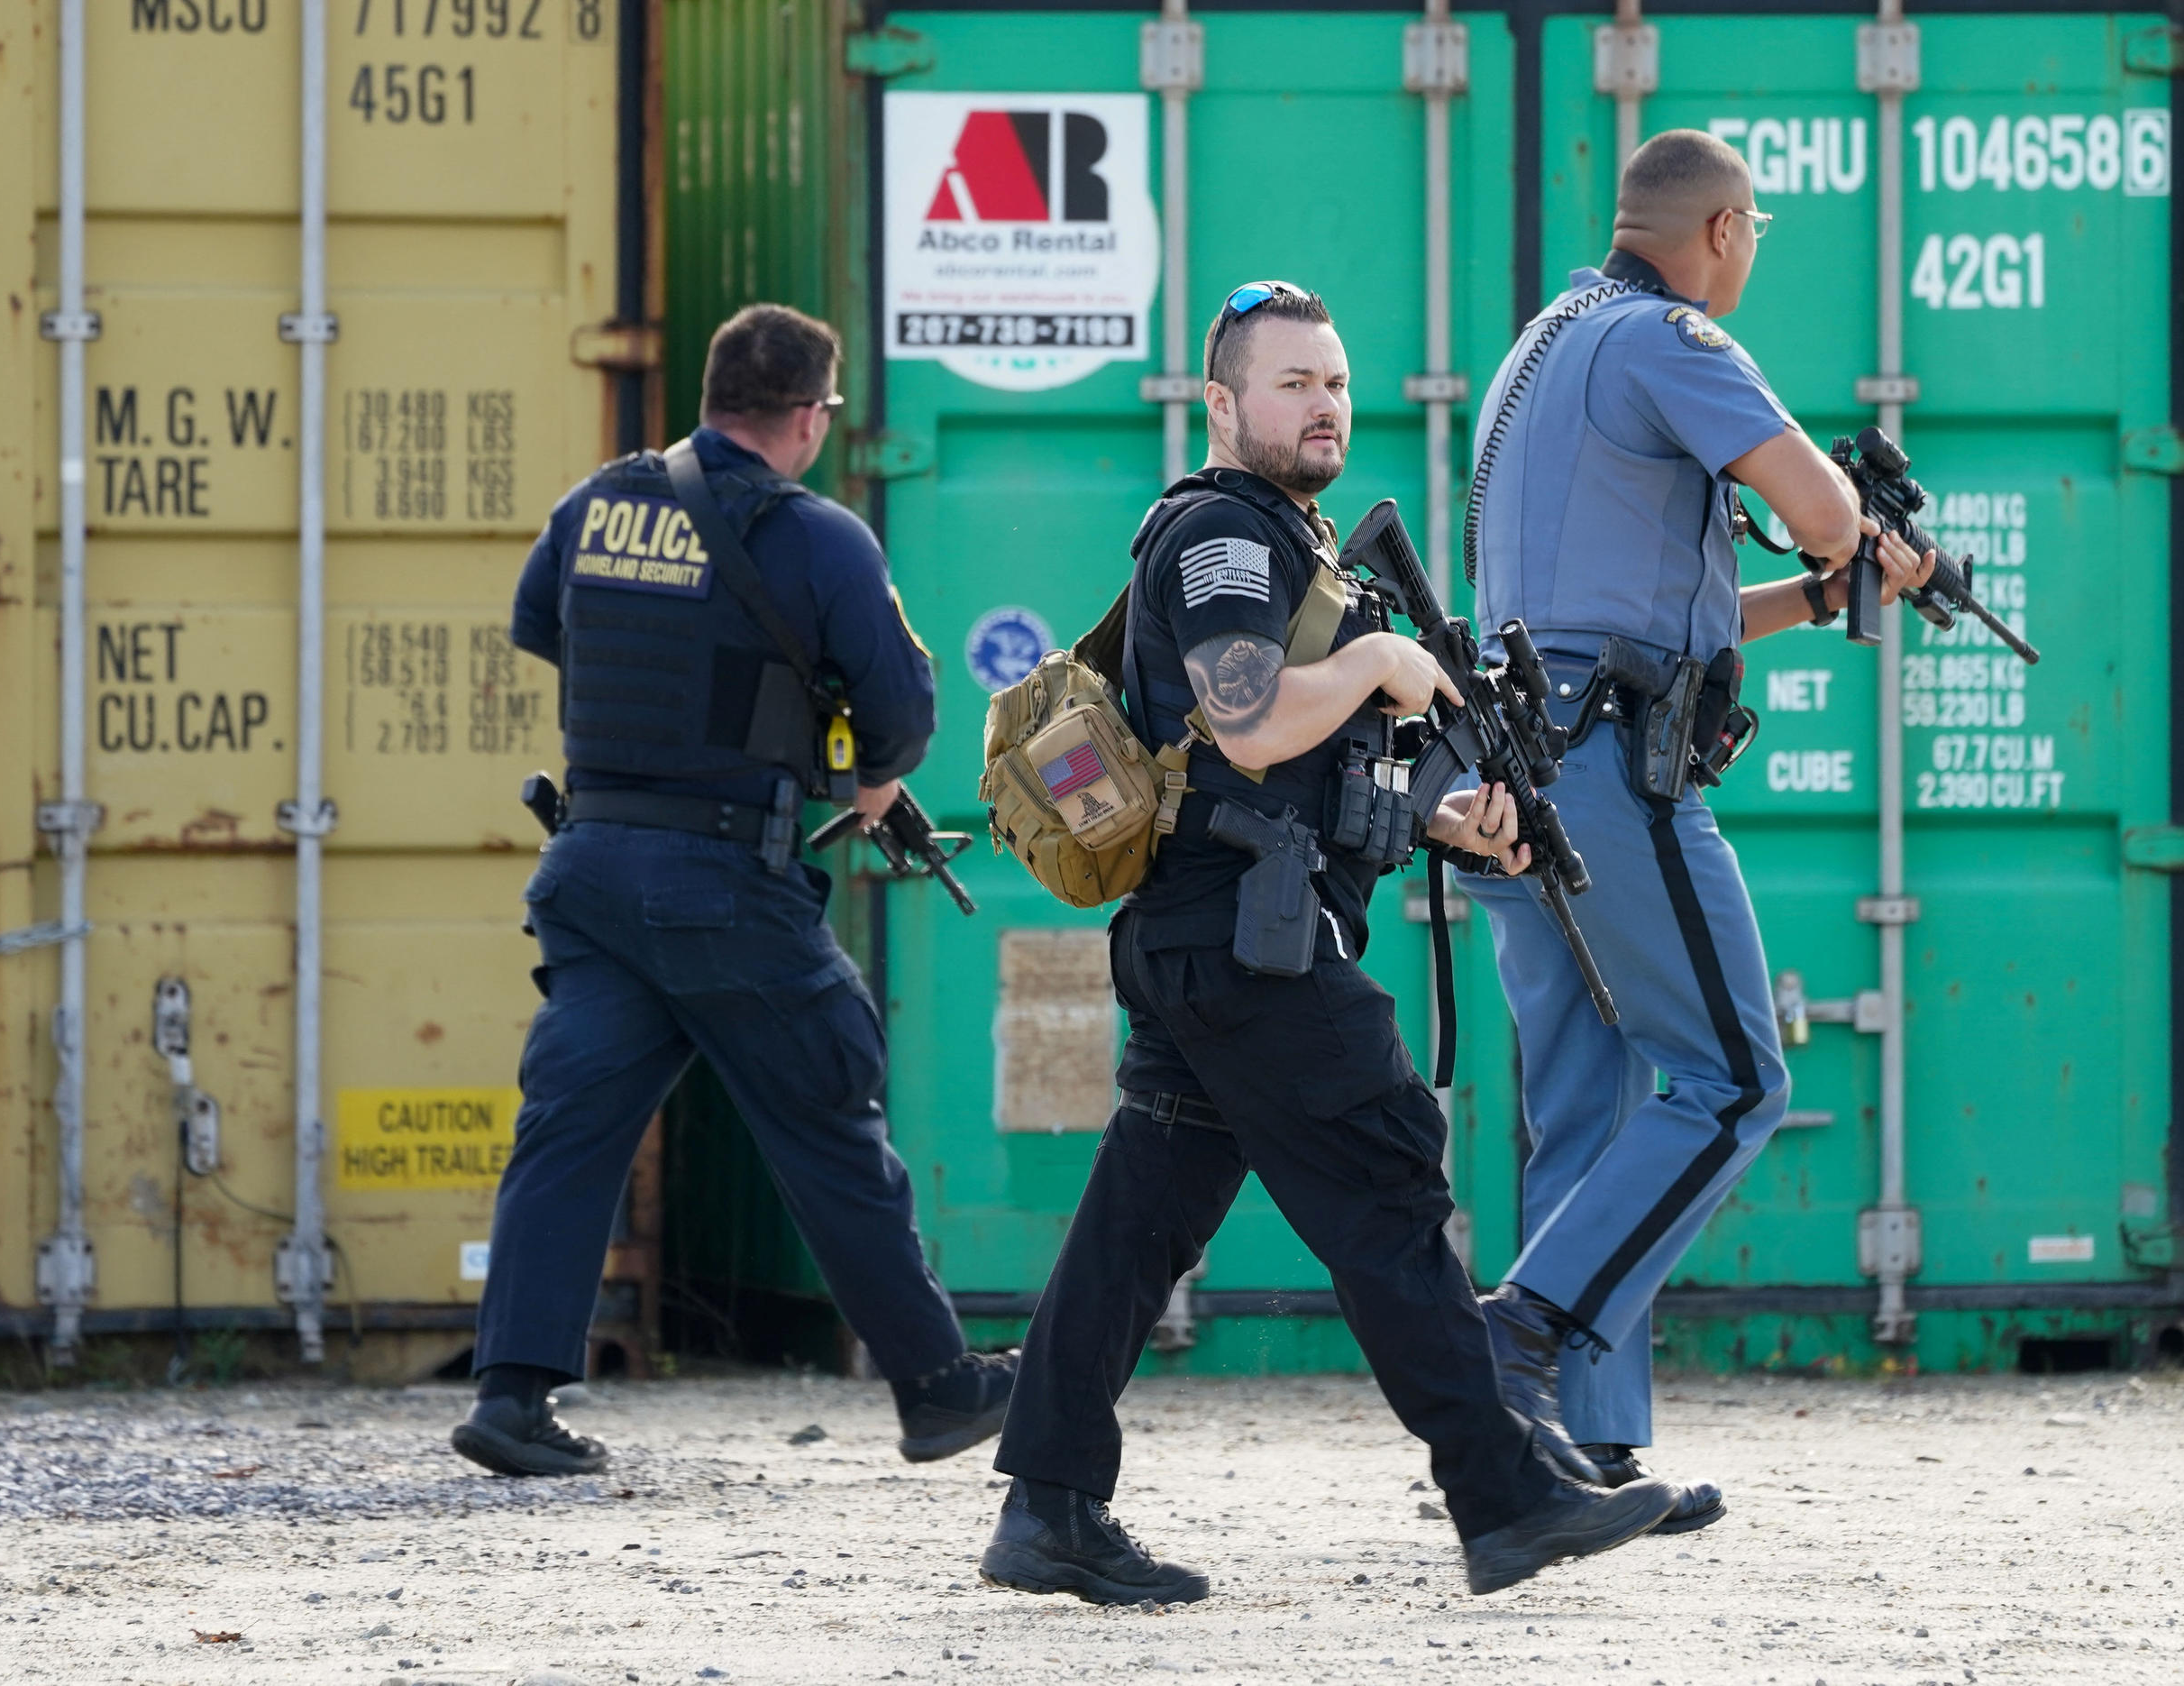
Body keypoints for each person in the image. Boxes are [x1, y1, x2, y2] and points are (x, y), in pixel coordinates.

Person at [978, 280, 1681, 1608]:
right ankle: (1507, 1495)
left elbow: (1308, 777)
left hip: (1229, 934)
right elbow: (1245, 723)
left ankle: (1049, 1504)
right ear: (1224, 403)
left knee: (1140, 1221)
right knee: (1390, 1189)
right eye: (1294, 383)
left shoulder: (1305, 556)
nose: (1324, 405)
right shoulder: (1220, 537)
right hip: (1250, 948)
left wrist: (1451, 815)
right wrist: (1384, 667)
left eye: (1338, 384)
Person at [1458, 131, 1935, 1518]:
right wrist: (1860, 536)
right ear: (1722, 230)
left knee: (1587, 1097)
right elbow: (1822, 502)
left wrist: (1832, 588)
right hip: (1609, 766)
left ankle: (1579, 1446)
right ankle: (1525, 1331)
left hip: (1519, 760)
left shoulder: (1547, 341)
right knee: (1734, 1078)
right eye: (1757, 231)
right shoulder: (1673, 336)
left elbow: (1690, 595)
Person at [451, 304, 1016, 1477]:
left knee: (569, 1125)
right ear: (811, 416)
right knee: (827, 1106)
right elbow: (902, 718)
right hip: (719, 883)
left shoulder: (594, 504)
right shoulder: (822, 539)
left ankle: (510, 1395)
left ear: (713, 397)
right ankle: (937, 1383)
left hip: (596, 869)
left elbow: (548, 627)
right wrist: (844, 768)